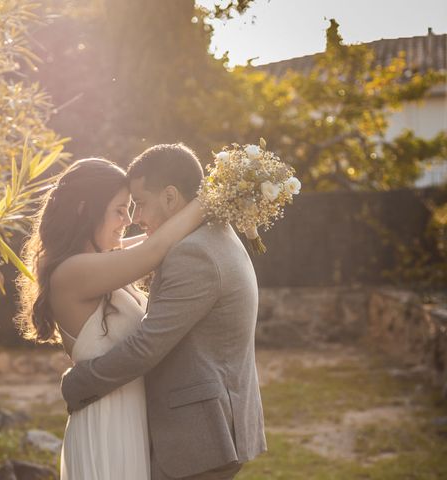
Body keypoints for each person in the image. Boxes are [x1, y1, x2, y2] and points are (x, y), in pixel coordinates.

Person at [60, 143, 267, 479]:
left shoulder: (194, 254)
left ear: (170, 198)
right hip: (214, 425)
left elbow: (147, 345)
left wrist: (78, 383)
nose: (135, 218)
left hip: (197, 435)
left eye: (139, 204)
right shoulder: (215, 235)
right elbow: (133, 251)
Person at [17, 156, 205, 480]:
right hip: (106, 425)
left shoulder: (98, 260)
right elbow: (154, 249)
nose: (128, 220)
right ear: (84, 209)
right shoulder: (72, 272)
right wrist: (211, 199)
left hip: (128, 418)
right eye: (120, 210)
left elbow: (153, 240)